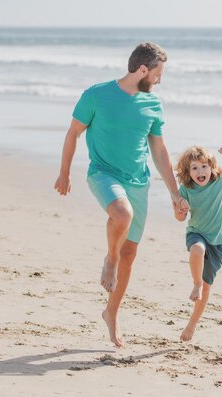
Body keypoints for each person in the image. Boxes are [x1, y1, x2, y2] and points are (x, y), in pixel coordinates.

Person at [54, 42, 185, 348]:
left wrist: (175, 194)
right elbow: (73, 133)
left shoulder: (153, 105)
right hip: (103, 173)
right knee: (122, 215)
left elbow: (160, 151)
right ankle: (108, 258)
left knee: (131, 255)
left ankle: (111, 314)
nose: (159, 80)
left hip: (138, 182)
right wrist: (64, 173)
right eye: (157, 73)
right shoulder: (96, 95)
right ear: (142, 70)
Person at [174, 145, 222, 342]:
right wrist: (181, 210)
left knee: (207, 288)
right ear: (187, 172)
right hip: (196, 233)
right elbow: (180, 218)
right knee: (197, 251)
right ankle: (196, 284)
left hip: (218, 242)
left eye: (204, 166)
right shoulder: (186, 189)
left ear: (212, 168)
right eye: (194, 168)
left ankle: (192, 323)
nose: (200, 172)